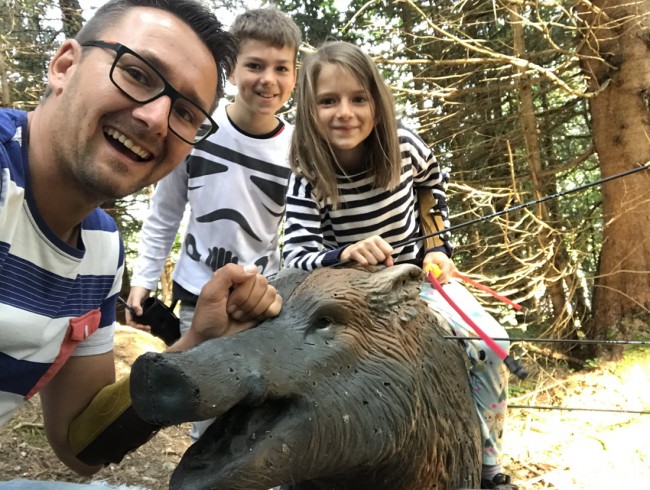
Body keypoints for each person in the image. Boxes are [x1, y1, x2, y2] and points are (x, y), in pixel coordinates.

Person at [0, 0, 282, 487]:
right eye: (136, 73)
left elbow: (81, 444)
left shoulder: (101, 250)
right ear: (65, 65)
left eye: (187, 112)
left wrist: (196, 344)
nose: (155, 118)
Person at [282, 41, 517, 490]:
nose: (344, 112)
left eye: (358, 98)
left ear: (377, 100)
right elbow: (295, 249)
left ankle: (489, 468)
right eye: (327, 101)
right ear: (309, 111)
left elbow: (432, 184)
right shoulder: (307, 168)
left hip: (414, 281)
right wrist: (342, 255)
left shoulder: (405, 143)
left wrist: (437, 247)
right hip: (345, 298)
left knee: (492, 345)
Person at [125, 7, 300, 442]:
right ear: (233, 69)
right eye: (255, 65)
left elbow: (300, 227)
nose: (268, 80)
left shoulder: (299, 149)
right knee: (207, 401)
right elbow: (166, 210)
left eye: (282, 68)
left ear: (295, 76)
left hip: (263, 296)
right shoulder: (200, 127)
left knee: (261, 409)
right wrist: (144, 278)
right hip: (197, 293)